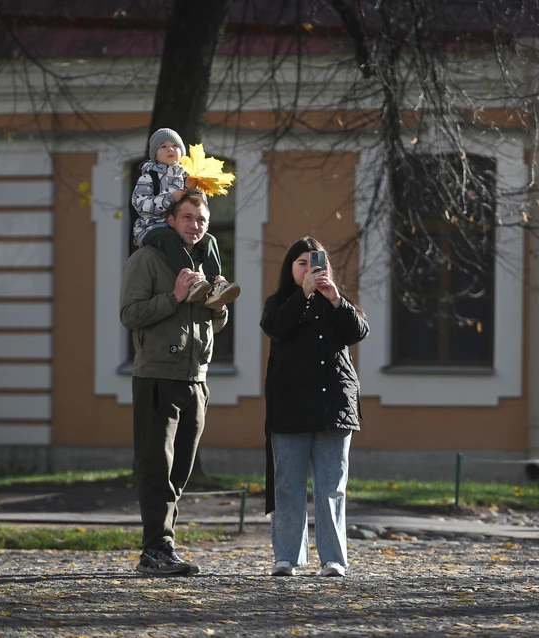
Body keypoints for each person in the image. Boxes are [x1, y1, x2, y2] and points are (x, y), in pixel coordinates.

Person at [120, 194, 229, 576]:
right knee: (156, 468)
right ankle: (156, 549)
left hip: (195, 377)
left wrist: (218, 309)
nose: (195, 225)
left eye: (201, 219)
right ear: (170, 219)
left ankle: (162, 545)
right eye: (187, 217)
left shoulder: (205, 261)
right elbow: (130, 314)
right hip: (157, 377)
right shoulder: (147, 259)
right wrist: (176, 296)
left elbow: (212, 325)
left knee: (179, 469)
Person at [260, 236, 370, 577]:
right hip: (290, 405)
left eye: (315, 263)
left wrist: (335, 298)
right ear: (290, 269)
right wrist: (303, 294)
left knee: (331, 485)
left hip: (334, 404)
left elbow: (358, 332)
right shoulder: (278, 303)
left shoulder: (336, 302)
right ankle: (287, 557)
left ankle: (333, 558)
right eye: (301, 264)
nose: (309, 269)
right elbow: (275, 328)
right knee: (288, 485)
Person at [131, 127, 240, 308]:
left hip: (178, 225)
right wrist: (168, 199)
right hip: (151, 227)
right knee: (169, 237)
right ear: (155, 155)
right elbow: (140, 204)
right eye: (163, 147)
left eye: (174, 146)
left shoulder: (187, 175)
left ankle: (215, 285)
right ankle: (192, 281)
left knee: (209, 239)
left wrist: (191, 189)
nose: (170, 150)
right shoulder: (149, 177)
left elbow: (200, 206)